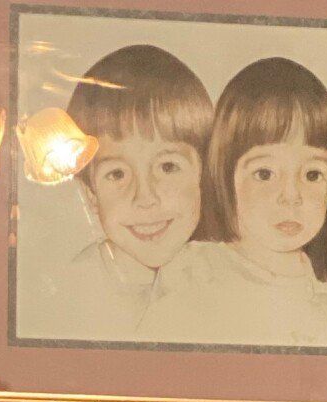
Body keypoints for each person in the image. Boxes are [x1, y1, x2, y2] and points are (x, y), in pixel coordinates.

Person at [185, 58, 327, 348]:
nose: (291, 196)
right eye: (265, 174)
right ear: (223, 175)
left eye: (312, 174)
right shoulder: (194, 271)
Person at [63, 44, 216, 338]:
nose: (145, 198)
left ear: (203, 175)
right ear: (90, 195)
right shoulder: (76, 287)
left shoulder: (220, 276)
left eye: (168, 167)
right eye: (117, 174)